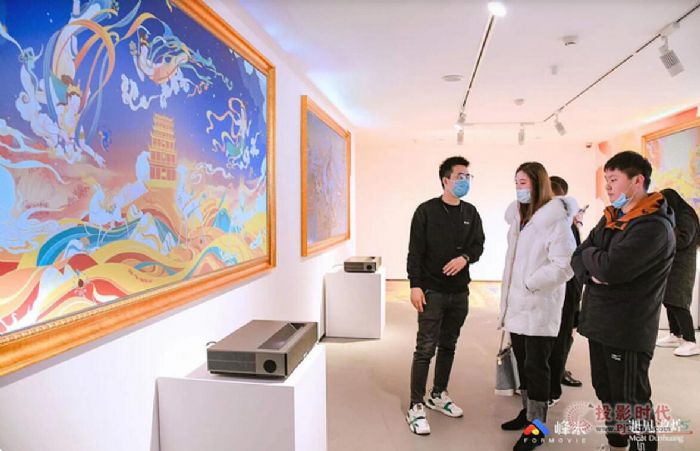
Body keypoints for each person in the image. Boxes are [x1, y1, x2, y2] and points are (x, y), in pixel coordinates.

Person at [572, 151, 676, 451]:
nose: (608, 186)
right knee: (605, 389)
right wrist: (594, 269)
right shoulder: (612, 216)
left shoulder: (653, 226)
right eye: (606, 179)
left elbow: (611, 269)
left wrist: (595, 262)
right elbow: (578, 256)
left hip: (627, 328)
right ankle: (616, 442)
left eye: (614, 179)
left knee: (631, 398)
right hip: (599, 322)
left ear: (637, 180)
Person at [498, 162, 578, 451]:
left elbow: (565, 265)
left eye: (523, 183)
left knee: (537, 368)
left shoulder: (555, 221)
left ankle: (537, 428)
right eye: (516, 182)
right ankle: (527, 413)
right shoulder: (520, 218)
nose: (518, 188)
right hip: (518, 306)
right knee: (522, 364)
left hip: (539, 306)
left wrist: (530, 284)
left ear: (538, 184)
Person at [405, 156, 485, 435]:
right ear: (445, 180)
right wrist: (415, 285)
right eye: (460, 176)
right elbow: (415, 251)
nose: (465, 181)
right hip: (432, 291)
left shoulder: (471, 212)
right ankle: (416, 404)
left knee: (449, 345)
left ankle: (438, 394)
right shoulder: (425, 211)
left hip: (459, 292)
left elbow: (478, 245)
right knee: (425, 348)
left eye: (468, 177)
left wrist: (465, 258)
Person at [547, 176, 584, 406]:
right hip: (557, 290)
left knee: (560, 336)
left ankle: (553, 385)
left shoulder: (566, 225)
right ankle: (553, 378)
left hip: (567, 291)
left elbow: (571, 262)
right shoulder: (554, 223)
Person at [656, 188, 700, 356]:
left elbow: (682, 240)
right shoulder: (676, 215)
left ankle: (691, 341)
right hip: (672, 265)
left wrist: (666, 228)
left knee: (679, 303)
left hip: (682, 267)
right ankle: (675, 334)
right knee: (669, 300)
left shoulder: (686, 216)